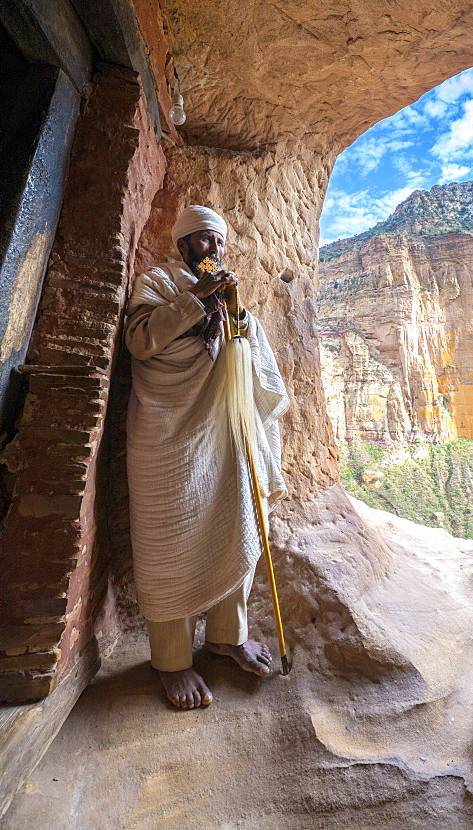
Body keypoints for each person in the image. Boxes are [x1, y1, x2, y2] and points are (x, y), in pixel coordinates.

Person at [125, 205, 289, 708]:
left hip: (223, 433)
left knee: (231, 524)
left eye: (217, 242)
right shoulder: (156, 284)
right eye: (202, 241)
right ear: (182, 246)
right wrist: (196, 302)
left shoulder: (231, 294)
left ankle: (227, 636)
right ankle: (173, 662)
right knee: (166, 542)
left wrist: (236, 323)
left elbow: (255, 362)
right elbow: (140, 341)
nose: (213, 251)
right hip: (165, 436)